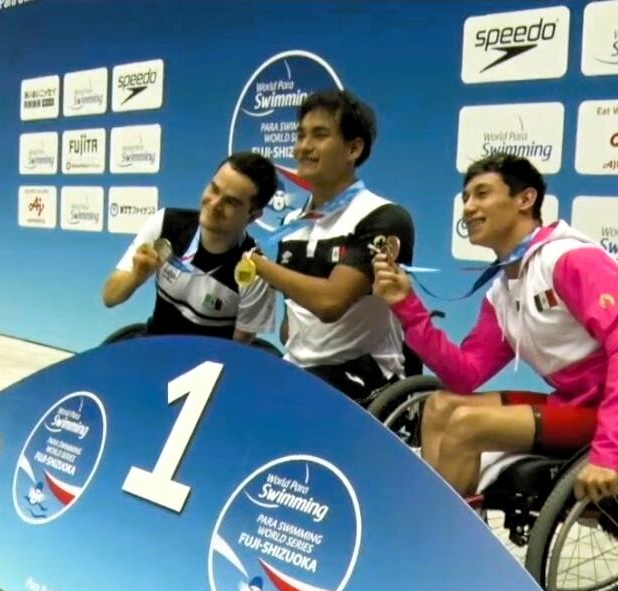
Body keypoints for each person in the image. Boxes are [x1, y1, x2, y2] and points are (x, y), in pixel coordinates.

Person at [371, 153, 618, 503]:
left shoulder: (571, 260)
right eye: (466, 197)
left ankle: (439, 531)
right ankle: (441, 518)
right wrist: (406, 306)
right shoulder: (505, 288)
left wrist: (608, 454)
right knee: (440, 406)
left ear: (526, 199)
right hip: (575, 404)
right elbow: (464, 376)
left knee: (467, 424)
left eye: (482, 194)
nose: (468, 207)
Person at [242, 89, 416, 405]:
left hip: (367, 377)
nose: (303, 147)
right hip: (300, 371)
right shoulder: (291, 222)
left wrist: (259, 265)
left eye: (319, 135)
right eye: (301, 135)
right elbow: (290, 327)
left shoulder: (384, 217)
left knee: (278, 405)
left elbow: (330, 304)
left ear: (353, 148)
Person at [102, 151, 279, 343]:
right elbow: (110, 298)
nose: (214, 204)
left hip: (212, 359)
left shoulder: (255, 272)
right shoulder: (165, 224)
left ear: (253, 216)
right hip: (155, 347)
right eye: (214, 189)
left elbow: (238, 350)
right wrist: (136, 277)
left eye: (230, 202)